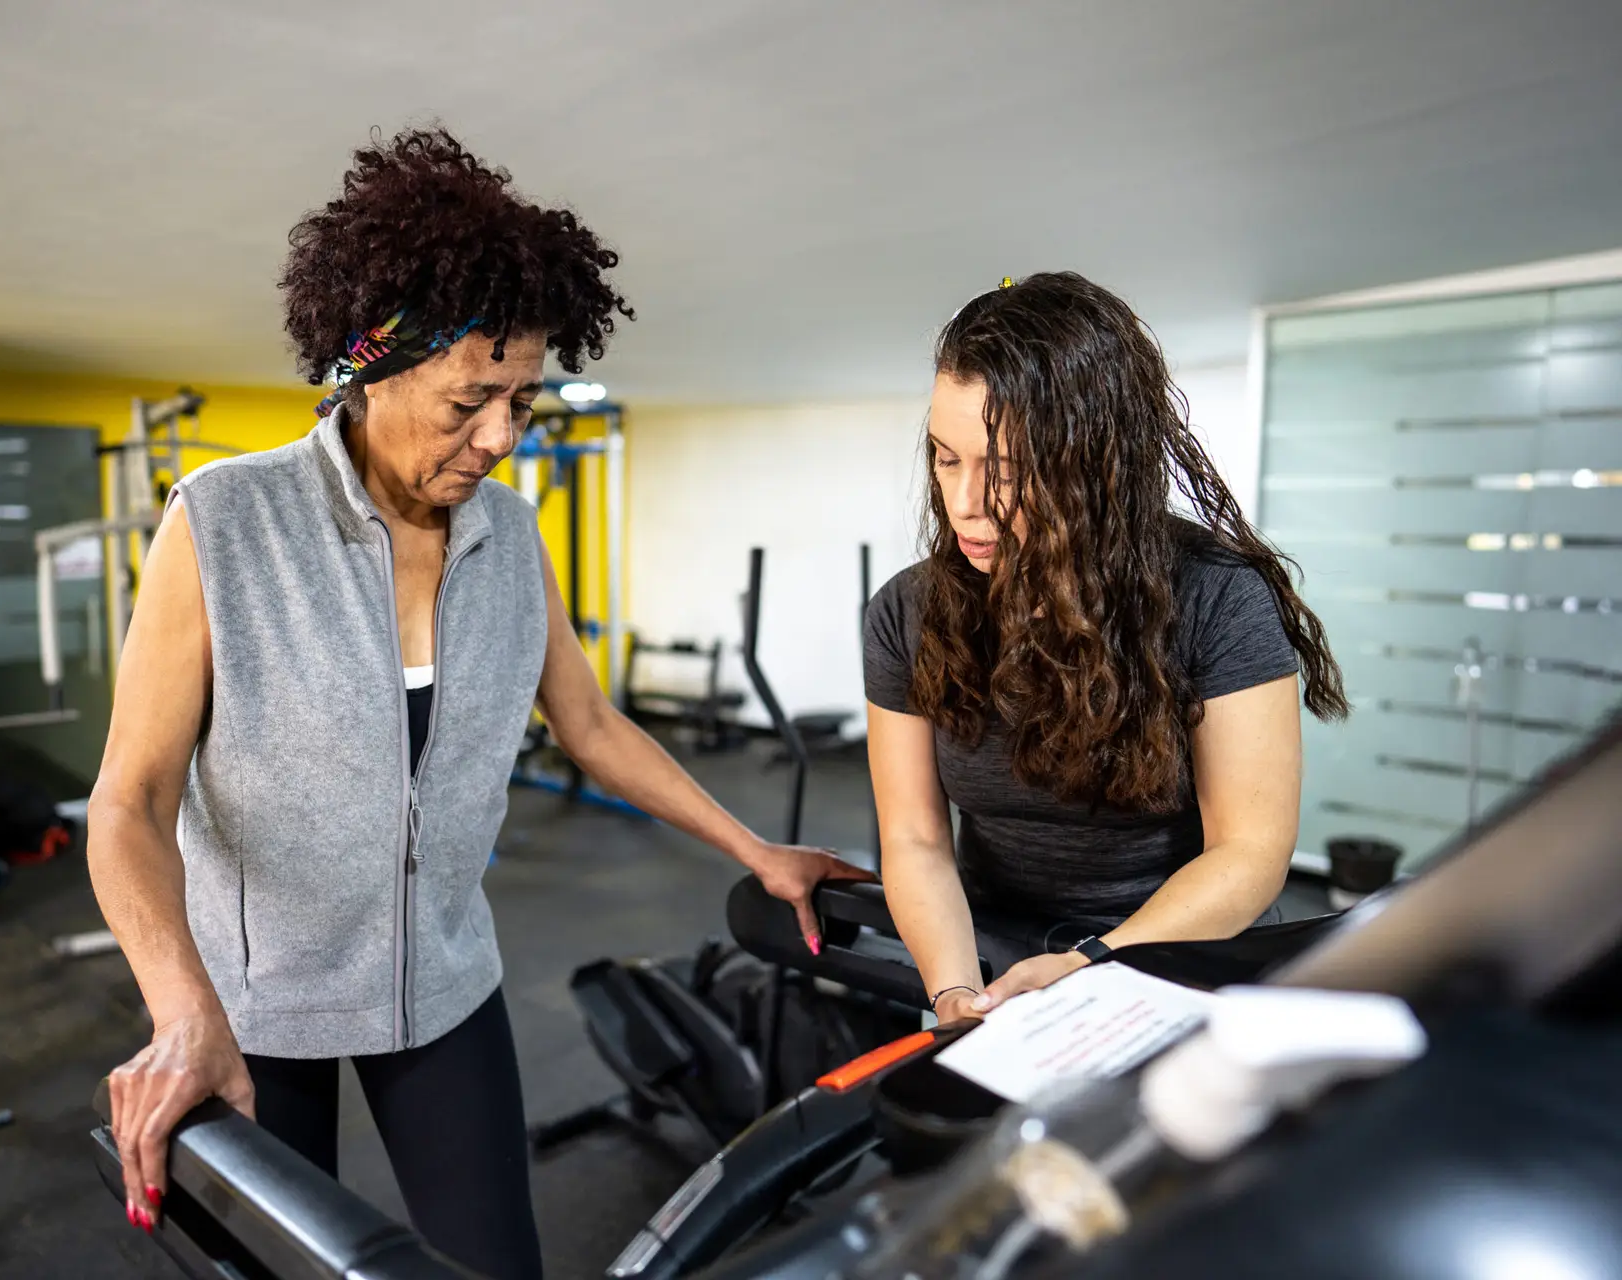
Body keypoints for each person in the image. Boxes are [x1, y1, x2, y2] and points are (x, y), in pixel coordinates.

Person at [91, 127, 866, 1280]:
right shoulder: (224, 523)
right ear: (371, 365)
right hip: (251, 1000)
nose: (500, 436)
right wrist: (180, 1007)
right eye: (469, 401)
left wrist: (756, 846)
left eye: (522, 401)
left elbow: (591, 724)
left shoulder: (510, 536)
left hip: (444, 981)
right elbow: (130, 800)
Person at [865, 272, 1348, 1029]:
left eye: (1007, 469)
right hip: (992, 952)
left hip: (1172, 951)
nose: (963, 503)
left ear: (1095, 465)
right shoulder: (907, 610)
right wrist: (955, 990)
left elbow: (1249, 850)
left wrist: (1094, 964)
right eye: (946, 458)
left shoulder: (1216, 597)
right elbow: (915, 837)